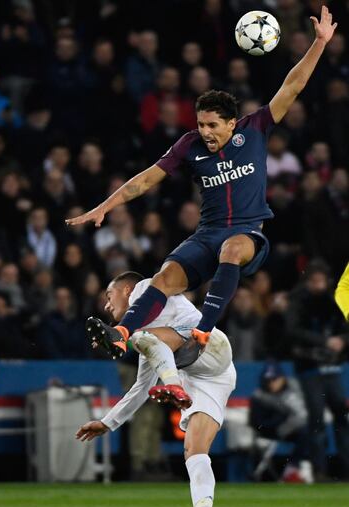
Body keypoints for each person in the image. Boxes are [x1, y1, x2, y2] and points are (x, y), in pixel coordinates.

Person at [66, 7, 337, 366]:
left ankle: (201, 334)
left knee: (231, 248)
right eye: (201, 124)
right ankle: (121, 335)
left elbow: (294, 85)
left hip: (246, 234)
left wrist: (319, 43)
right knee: (163, 277)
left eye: (212, 125)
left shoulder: (255, 128)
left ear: (231, 123)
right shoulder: (188, 145)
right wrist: (105, 206)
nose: (205, 132)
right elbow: (146, 179)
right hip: (206, 233)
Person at [76, 271, 236, 507]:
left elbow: (164, 284)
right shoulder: (150, 339)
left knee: (138, 338)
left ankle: (172, 385)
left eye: (109, 295)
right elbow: (139, 389)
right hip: (212, 377)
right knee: (194, 452)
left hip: (208, 343)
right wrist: (107, 423)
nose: (106, 304)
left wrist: (118, 334)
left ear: (127, 290)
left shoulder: (144, 288)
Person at [286, 260, 349, 480]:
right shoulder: (298, 301)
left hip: (332, 366)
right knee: (317, 419)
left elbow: (346, 325)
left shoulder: (335, 299)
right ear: (308, 282)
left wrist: (342, 340)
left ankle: (345, 468)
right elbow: (292, 330)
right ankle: (319, 470)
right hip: (309, 367)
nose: (318, 286)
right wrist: (324, 341)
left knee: (342, 416)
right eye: (314, 282)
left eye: (321, 281)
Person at [250, 363, 311, 483]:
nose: (271, 383)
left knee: (310, 433)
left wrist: (284, 424)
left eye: (274, 379)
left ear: (282, 378)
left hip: (291, 430)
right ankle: (290, 471)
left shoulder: (293, 388)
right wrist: (278, 422)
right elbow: (256, 422)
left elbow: (303, 414)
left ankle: (296, 469)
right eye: (268, 380)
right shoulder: (259, 396)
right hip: (268, 432)